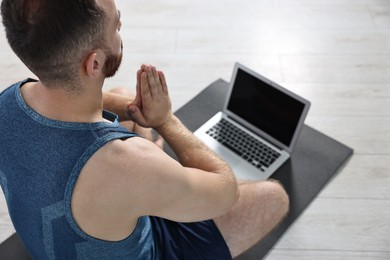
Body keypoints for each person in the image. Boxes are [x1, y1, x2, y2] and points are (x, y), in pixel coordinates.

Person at [0, 0, 289, 259]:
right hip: (153, 240)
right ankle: (159, 188)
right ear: (95, 63)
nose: (120, 27)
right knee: (273, 198)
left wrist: (133, 107)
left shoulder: (7, 102)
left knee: (124, 96)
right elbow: (225, 194)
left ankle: (153, 187)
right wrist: (164, 119)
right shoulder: (125, 165)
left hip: (65, 234)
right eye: (116, 24)